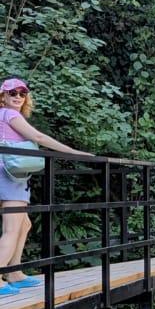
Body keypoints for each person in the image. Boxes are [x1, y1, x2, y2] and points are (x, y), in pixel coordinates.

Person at [0, 76, 90, 295]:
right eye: (13, 93)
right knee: (12, 229)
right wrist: (73, 152)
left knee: (24, 225)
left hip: (7, 174)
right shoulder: (10, 115)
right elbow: (38, 136)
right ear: (3, 95)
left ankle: (14, 272)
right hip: (9, 176)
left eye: (23, 94)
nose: (18, 97)